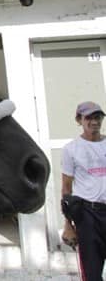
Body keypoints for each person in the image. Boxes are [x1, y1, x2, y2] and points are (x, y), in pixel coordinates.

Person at [61, 101, 106, 281]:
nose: (94, 122)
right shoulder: (71, 149)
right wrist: (68, 225)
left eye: (98, 117)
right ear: (79, 120)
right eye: (89, 118)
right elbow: (66, 188)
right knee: (92, 273)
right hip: (88, 215)